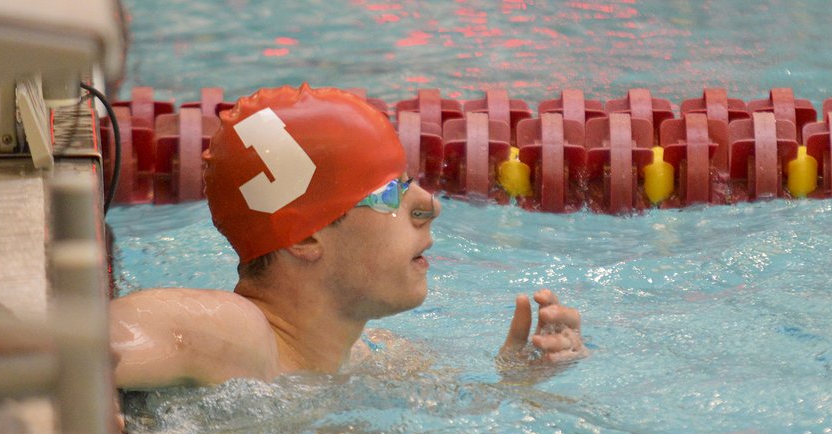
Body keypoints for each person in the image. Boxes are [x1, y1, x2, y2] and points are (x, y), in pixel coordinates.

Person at [110, 84, 585, 390]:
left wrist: (520, 379)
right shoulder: (231, 332)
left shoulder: (374, 358)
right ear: (306, 236)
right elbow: (83, 345)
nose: (429, 206)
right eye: (387, 193)